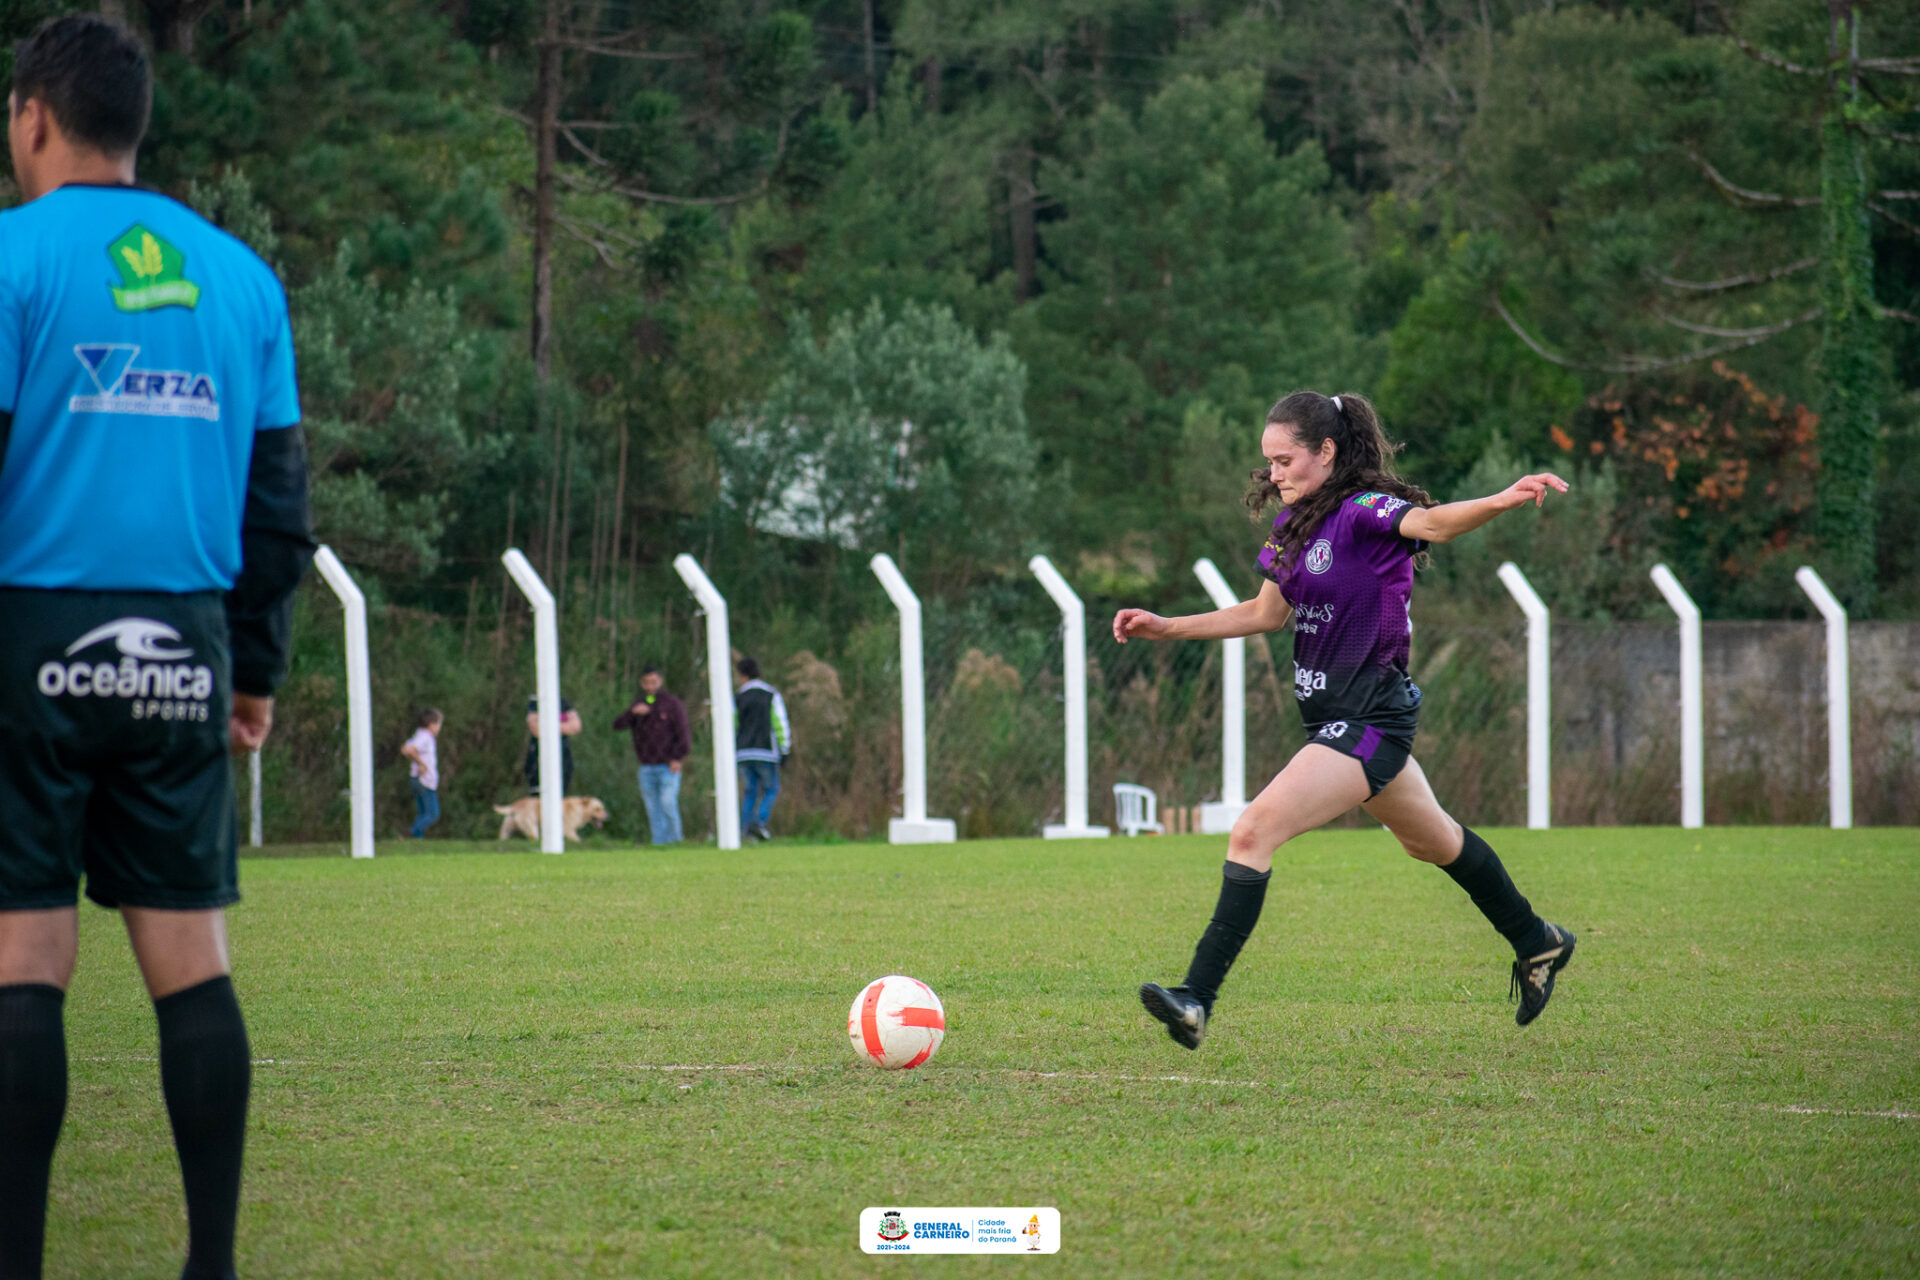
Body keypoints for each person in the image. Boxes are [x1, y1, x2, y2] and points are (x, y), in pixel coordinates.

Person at [0, 16, 314, 1279]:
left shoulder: (13, 261)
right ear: (135, 129)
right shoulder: (242, 279)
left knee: (25, 952)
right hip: (180, 638)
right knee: (190, 961)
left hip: (32, 631)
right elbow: (279, 507)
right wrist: (252, 671)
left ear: (32, 119)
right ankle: (211, 1264)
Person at [1114, 390, 1575, 1051]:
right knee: (1434, 842)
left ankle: (1195, 999)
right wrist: (1166, 627)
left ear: (1326, 452)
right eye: (1269, 462)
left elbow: (1433, 525)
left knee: (1251, 833)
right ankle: (1537, 941)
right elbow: (1264, 614)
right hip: (1334, 720)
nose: (1275, 474)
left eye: (1286, 459)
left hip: (1370, 721)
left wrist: (1502, 499)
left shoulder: (1362, 514)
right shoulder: (1294, 527)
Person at [612, 666, 691, 845]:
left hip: (668, 764)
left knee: (668, 803)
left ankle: (675, 839)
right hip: (647, 765)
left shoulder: (671, 704)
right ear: (642, 683)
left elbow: (683, 733)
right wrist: (632, 713)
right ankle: (659, 842)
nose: (650, 687)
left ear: (660, 681)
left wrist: (678, 757)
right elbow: (617, 724)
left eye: (654, 682)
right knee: (653, 808)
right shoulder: (638, 703)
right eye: (647, 683)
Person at [733, 657, 790, 842]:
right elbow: (780, 723)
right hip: (766, 751)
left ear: (743, 676)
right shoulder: (771, 694)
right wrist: (785, 748)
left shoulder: (738, 697)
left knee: (750, 792)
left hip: (742, 753)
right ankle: (759, 822)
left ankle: (746, 831)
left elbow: (733, 724)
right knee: (771, 789)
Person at [523, 694, 581, 796]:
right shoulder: (535, 702)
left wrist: (547, 725)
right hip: (538, 757)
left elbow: (575, 726)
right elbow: (536, 729)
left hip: (563, 757)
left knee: (561, 797)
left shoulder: (562, 701)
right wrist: (563, 725)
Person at [400, 708, 443, 839]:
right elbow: (411, 750)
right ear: (432, 724)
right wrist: (422, 764)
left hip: (416, 779)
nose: (439, 728)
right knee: (432, 814)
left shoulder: (418, 735)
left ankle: (417, 840)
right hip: (425, 781)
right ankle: (411, 833)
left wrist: (416, 761)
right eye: (439, 724)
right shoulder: (426, 737)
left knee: (422, 813)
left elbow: (404, 749)